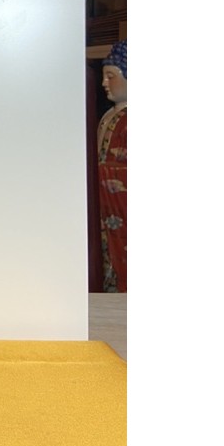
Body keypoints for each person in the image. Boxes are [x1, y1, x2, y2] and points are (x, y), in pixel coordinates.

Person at [98, 40, 127, 292]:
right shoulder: (108, 116)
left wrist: (97, 172)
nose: (104, 83)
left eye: (111, 76)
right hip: (103, 209)